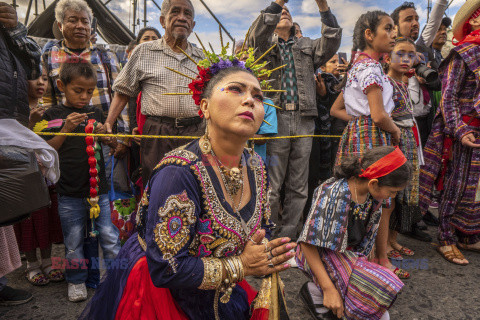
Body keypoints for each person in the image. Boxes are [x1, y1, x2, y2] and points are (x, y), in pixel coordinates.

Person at [81, 52, 297, 319]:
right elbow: (166, 269)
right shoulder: (178, 175)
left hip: (220, 288)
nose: (249, 100)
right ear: (204, 107)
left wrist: (264, 253)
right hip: (163, 295)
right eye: (235, 89)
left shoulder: (255, 165)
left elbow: (259, 228)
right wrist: (241, 265)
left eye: (257, 96)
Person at [246, 0, 342, 240]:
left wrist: (323, 6)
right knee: (272, 183)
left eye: (287, 11)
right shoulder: (262, 45)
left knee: (299, 185)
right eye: (280, 12)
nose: (284, 13)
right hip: (275, 119)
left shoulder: (306, 45)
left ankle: (287, 237)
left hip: (303, 120)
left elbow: (331, 40)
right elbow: (258, 32)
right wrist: (278, 3)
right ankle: (267, 235)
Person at [297, 146, 409, 320]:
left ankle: (319, 290)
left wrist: (374, 266)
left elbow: (371, 233)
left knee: (381, 290)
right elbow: (307, 244)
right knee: (378, 312)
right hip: (321, 255)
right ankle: (317, 290)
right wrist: (329, 289)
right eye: (392, 191)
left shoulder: (374, 195)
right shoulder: (334, 194)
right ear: (374, 183)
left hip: (350, 255)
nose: (392, 196)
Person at [330, 11, 402, 276]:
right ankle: (378, 261)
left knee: (359, 197)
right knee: (378, 197)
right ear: (369, 35)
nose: (394, 33)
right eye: (388, 28)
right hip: (374, 137)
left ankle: (358, 259)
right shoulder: (370, 67)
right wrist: (393, 131)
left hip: (359, 133)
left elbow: (336, 110)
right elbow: (379, 114)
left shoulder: (357, 66)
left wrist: (358, 122)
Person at [42, 60, 120, 302]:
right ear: (61, 86)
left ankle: (117, 281)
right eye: (78, 90)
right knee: (74, 240)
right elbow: (46, 151)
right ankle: (76, 281)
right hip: (69, 193)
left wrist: (107, 137)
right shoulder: (52, 115)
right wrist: (66, 127)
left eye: (90, 91)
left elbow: (113, 144)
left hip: (100, 191)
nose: (85, 96)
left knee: (108, 236)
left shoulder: (95, 113)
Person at [104, 0, 205, 184]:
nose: (182, 17)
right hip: (158, 132)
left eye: (187, 14)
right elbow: (123, 90)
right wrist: (109, 124)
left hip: (195, 131)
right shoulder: (144, 51)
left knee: (194, 183)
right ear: (162, 20)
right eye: (175, 12)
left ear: (193, 25)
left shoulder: (202, 57)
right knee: (158, 184)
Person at [419, 0, 480, 266]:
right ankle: (445, 237)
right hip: (463, 131)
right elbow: (448, 96)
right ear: (475, 20)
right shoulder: (463, 53)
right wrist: (460, 128)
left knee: (475, 188)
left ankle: (467, 234)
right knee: (455, 183)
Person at [0, 1, 42, 306]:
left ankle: (0, 282)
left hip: (7, 125)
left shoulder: (11, 34)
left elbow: (32, 63)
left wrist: (14, 28)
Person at [13, 67, 65, 286]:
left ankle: (47, 261)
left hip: (44, 179)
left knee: (45, 220)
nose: (41, 82)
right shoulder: (14, 111)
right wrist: (31, 122)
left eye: (44, 78)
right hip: (22, 179)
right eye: (34, 78)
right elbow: (16, 142)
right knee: (26, 223)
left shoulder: (50, 111)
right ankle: (32, 265)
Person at [384, 37, 421, 272]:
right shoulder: (386, 83)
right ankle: (383, 244)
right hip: (394, 141)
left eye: (411, 54)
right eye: (400, 53)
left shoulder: (406, 83)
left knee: (406, 192)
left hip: (409, 140)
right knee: (391, 193)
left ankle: (393, 239)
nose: (406, 58)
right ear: (388, 57)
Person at [234, 40, 278, 164]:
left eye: (248, 53)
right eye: (239, 54)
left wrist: (233, 133)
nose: (243, 57)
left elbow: (263, 138)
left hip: (253, 161)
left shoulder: (267, 104)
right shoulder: (229, 98)